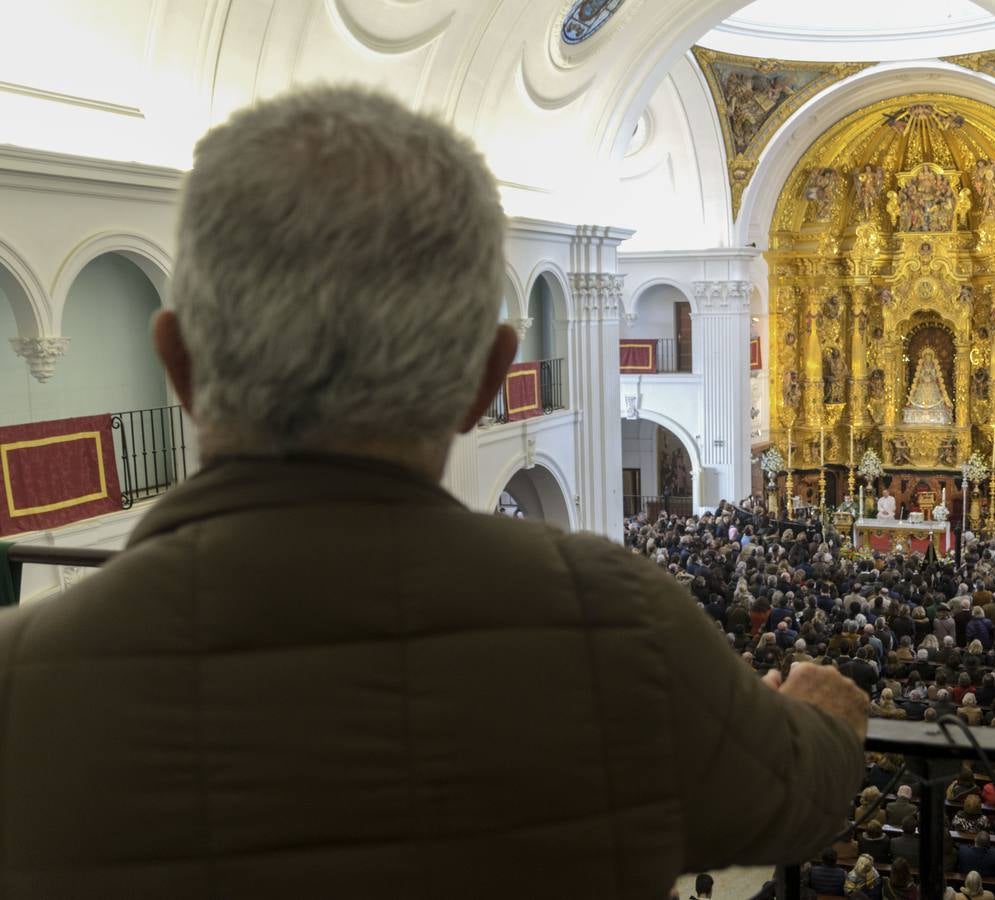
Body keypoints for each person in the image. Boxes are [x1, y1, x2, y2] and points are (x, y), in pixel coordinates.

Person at [0, 88, 869, 899]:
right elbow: (796, 802)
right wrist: (822, 713)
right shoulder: (618, 622)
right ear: (486, 375)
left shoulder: (18, 676)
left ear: (178, 362)